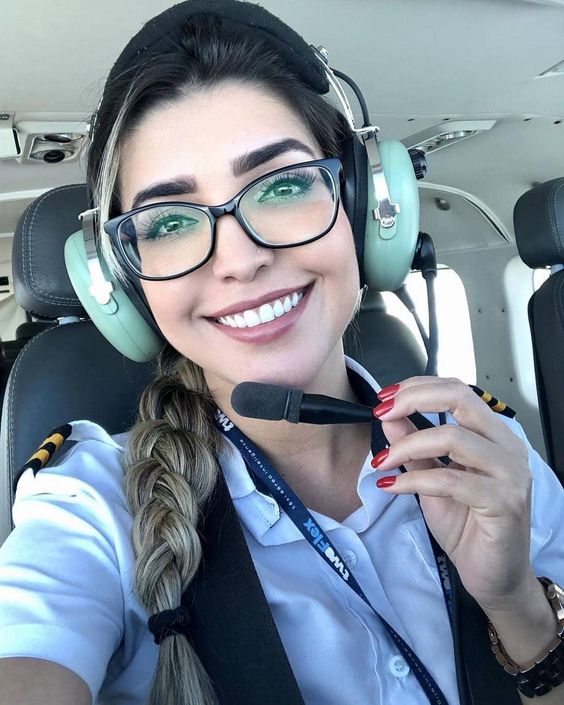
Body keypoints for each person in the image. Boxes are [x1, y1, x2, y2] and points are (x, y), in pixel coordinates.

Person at [0, 2, 563, 704]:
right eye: (168, 222)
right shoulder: (91, 504)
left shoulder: (484, 446)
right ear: (121, 281)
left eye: (285, 186)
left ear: (363, 205)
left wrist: (515, 604)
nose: (240, 260)